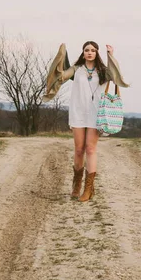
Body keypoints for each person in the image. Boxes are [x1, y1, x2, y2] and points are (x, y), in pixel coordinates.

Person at [43, 41, 129, 202]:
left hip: (97, 114)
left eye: (93, 50)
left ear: (97, 53)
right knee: (78, 150)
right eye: (86, 50)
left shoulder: (103, 71)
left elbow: (116, 75)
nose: (89, 52)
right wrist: (61, 55)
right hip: (78, 113)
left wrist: (111, 55)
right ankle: (76, 185)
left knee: (90, 149)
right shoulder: (77, 70)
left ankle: (88, 189)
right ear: (83, 53)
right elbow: (61, 76)